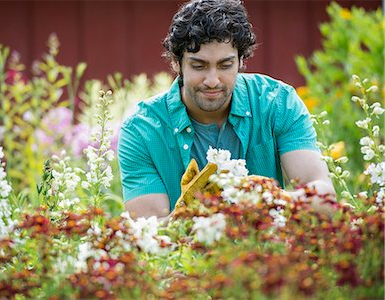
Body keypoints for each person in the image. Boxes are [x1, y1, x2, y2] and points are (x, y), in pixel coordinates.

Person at [118, 0, 335, 220]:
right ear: (177, 63)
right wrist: (198, 214)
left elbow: (324, 198)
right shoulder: (140, 131)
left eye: (225, 65)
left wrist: (262, 198)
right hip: (187, 253)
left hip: (269, 251)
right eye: (198, 66)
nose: (212, 81)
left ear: (241, 60)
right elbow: (150, 233)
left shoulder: (278, 103)